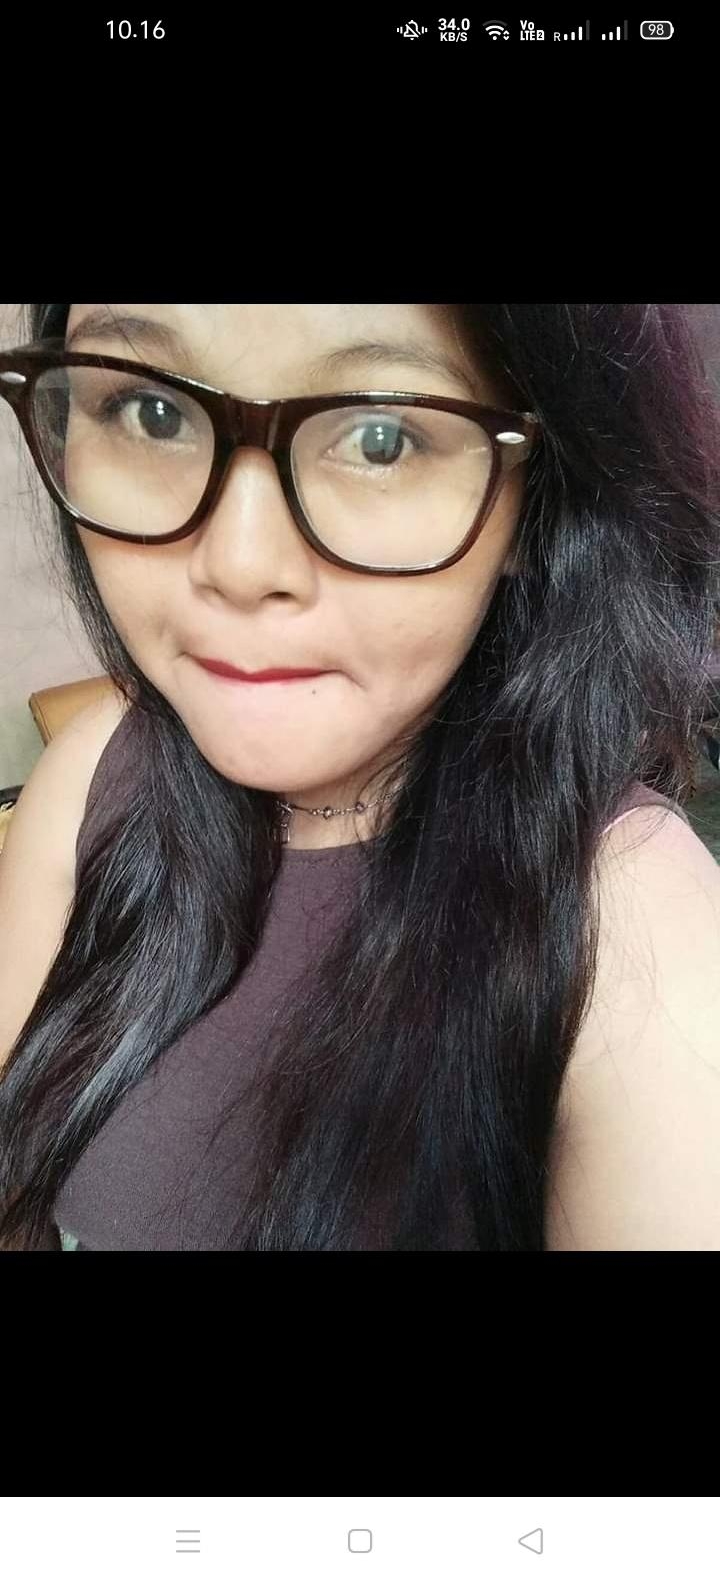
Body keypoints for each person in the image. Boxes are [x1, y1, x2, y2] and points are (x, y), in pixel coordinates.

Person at [0, 302, 719, 1251]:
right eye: (151, 411)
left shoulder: (638, 942)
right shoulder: (90, 774)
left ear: (536, 500)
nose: (238, 564)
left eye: (383, 437)